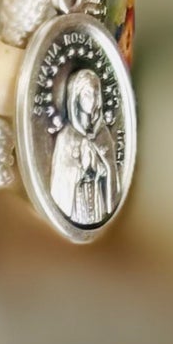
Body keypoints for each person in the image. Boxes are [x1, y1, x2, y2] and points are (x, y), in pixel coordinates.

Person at [50, 61, 117, 230]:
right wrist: (81, 170)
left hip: (97, 201)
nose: (92, 100)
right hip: (77, 202)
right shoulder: (66, 136)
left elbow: (110, 171)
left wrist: (99, 167)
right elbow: (61, 180)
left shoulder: (102, 133)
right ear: (76, 97)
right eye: (87, 94)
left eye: (95, 94)